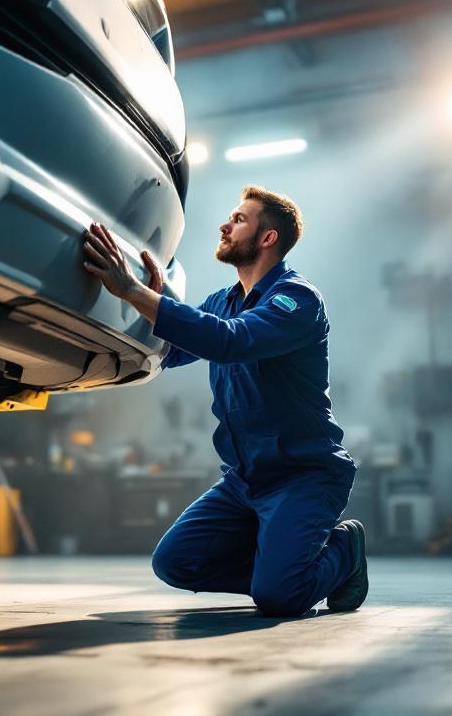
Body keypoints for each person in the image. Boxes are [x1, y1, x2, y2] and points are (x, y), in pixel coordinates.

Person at [81, 185, 367, 617]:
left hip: (303, 475)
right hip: (244, 480)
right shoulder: (223, 302)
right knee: (175, 563)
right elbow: (171, 351)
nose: (224, 225)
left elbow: (230, 341)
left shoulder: (296, 299)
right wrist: (143, 305)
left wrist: (135, 292)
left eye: (238, 219)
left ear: (267, 238)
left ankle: (343, 549)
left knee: (278, 597)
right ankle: (280, 568)